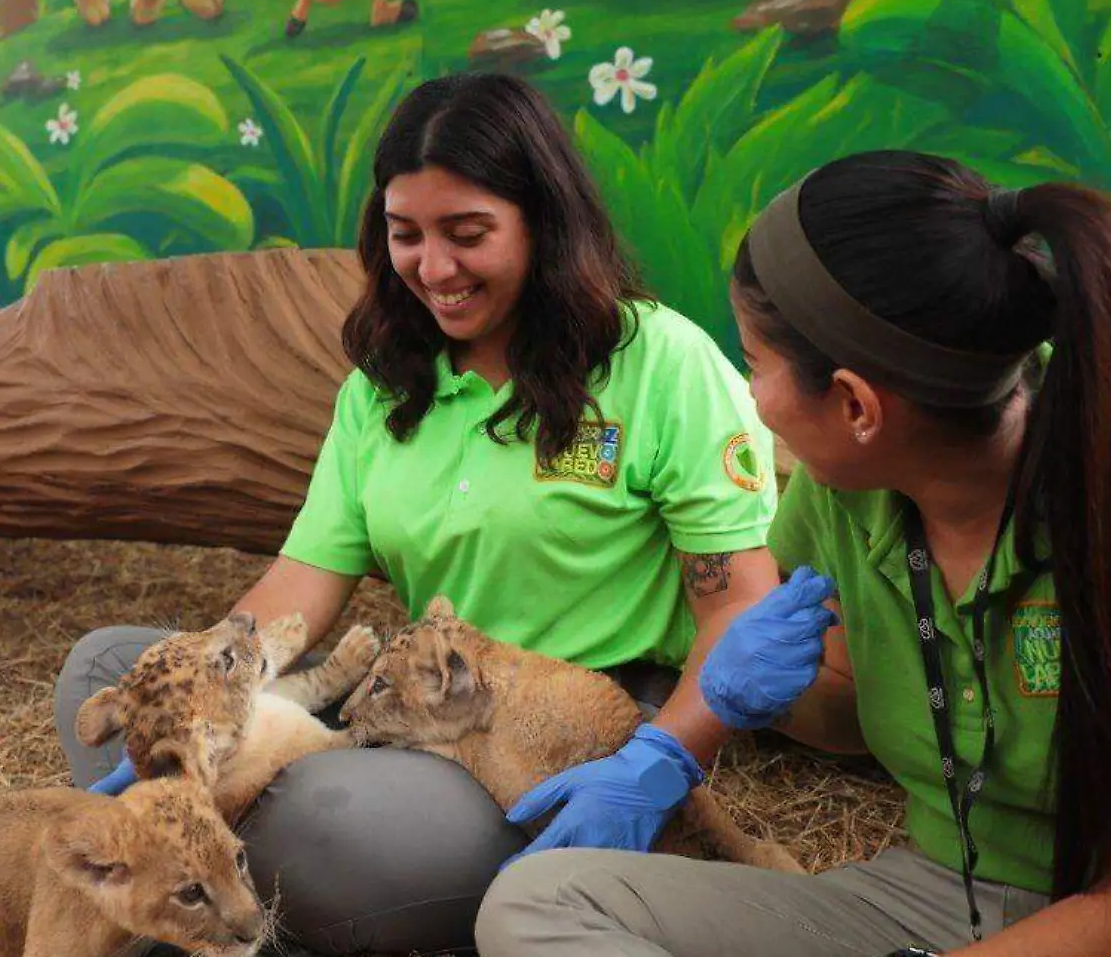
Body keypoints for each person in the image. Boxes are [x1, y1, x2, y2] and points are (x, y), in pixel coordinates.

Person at [473, 150, 1111, 957]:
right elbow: (842, 723)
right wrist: (699, 732)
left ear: (855, 405)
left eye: (753, 362)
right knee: (540, 902)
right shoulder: (845, 489)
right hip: (932, 896)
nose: (751, 394)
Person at [51, 72, 808, 956]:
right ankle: (198, 875)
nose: (433, 269)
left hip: (561, 735)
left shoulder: (660, 362)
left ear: (544, 222)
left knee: (328, 829)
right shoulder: (381, 388)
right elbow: (304, 583)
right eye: (406, 235)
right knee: (108, 668)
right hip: (412, 703)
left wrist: (657, 766)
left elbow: (735, 609)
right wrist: (197, 697)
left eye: (468, 234)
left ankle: (198, 877)